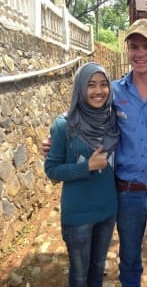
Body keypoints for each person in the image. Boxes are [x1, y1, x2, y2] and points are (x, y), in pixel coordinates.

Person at [43, 18, 147, 287]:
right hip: (127, 195)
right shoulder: (114, 91)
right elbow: (84, 110)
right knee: (128, 263)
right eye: (134, 46)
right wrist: (58, 137)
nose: (140, 54)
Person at [44, 62, 120, 287]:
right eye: (91, 85)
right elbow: (52, 170)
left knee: (97, 268)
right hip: (78, 217)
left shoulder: (112, 120)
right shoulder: (64, 125)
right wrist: (86, 167)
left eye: (103, 84)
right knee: (78, 275)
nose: (99, 91)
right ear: (79, 88)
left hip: (107, 211)